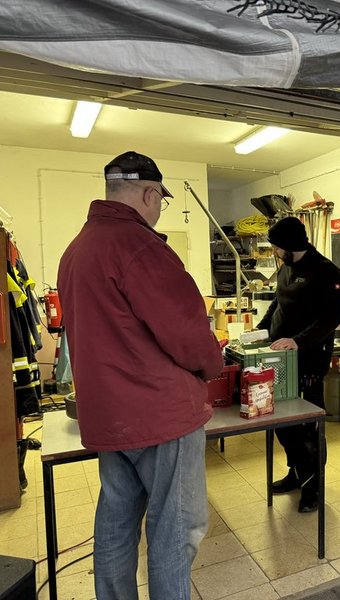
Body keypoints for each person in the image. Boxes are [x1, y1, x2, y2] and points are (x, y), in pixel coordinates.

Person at [58, 151, 223, 600]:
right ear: (150, 194)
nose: (158, 210)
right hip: (159, 415)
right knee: (175, 529)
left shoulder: (76, 250)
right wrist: (213, 365)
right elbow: (186, 331)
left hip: (107, 415)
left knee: (116, 522)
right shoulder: (141, 247)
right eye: (161, 201)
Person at [256, 216, 340, 512]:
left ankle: (313, 488)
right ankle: (296, 474)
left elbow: (330, 319)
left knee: (308, 426)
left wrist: (298, 341)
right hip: (281, 360)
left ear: (290, 245)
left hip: (309, 361)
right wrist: (260, 330)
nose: (274, 252)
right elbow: (278, 303)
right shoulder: (286, 268)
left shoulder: (326, 271)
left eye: (276, 247)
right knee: (283, 423)